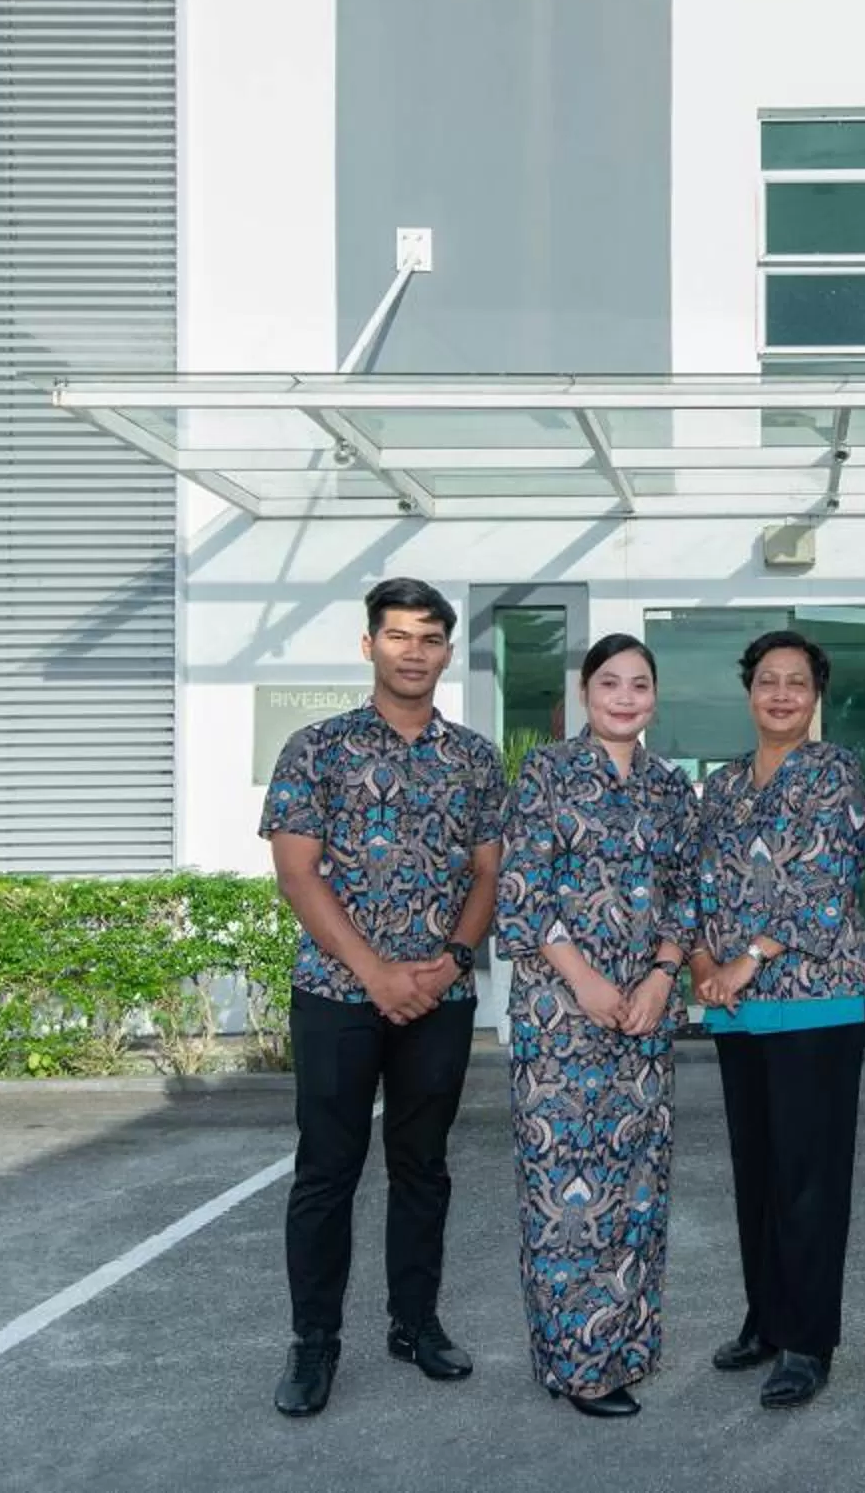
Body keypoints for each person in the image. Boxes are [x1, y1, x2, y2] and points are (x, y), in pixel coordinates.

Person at [261, 577, 504, 1419]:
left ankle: (415, 1324)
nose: (414, 651)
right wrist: (374, 973)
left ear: (446, 651)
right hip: (337, 993)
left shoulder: (474, 757)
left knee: (423, 1166)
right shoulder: (316, 748)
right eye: (398, 635)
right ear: (370, 646)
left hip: (439, 994)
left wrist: (450, 960)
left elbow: (488, 872)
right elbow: (297, 872)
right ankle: (314, 1345)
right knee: (327, 1171)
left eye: (430, 638)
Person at [493, 632, 697, 1419]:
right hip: (561, 1019)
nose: (624, 696)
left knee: (637, 1186)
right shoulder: (545, 773)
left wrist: (659, 975)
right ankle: (579, 1364)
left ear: (654, 697)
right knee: (566, 1193)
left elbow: (688, 894)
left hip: (643, 1018)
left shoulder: (671, 788)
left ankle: (630, 1345)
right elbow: (523, 892)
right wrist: (584, 982)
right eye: (608, 682)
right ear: (584, 693)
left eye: (638, 684)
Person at [690, 629, 865, 1411]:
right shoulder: (723, 788)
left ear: (816, 695)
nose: (781, 694)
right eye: (768, 680)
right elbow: (698, 883)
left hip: (816, 1003)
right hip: (739, 1011)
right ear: (749, 690)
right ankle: (765, 1319)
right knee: (758, 1173)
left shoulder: (838, 773)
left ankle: (807, 1341)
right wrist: (704, 963)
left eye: (797, 683)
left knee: (809, 1178)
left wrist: (746, 957)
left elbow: (825, 884)